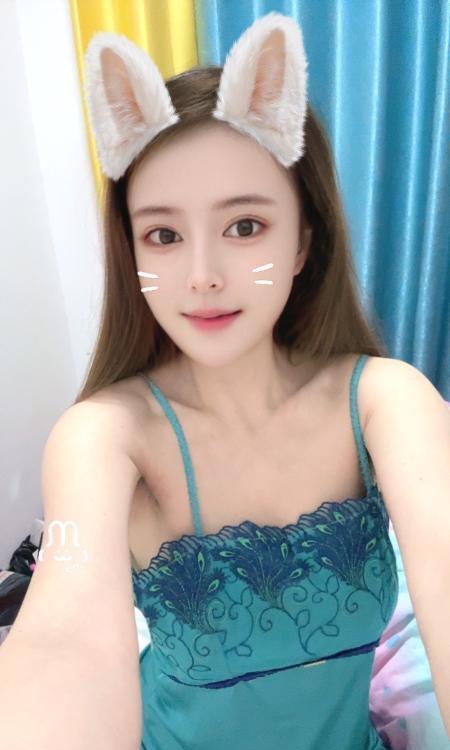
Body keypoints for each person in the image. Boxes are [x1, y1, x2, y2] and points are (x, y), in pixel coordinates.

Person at [3, 11, 446, 750]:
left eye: (244, 226)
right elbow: (63, 630)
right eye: (164, 235)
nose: (202, 276)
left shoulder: (384, 399)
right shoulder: (103, 436)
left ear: (303, 241)